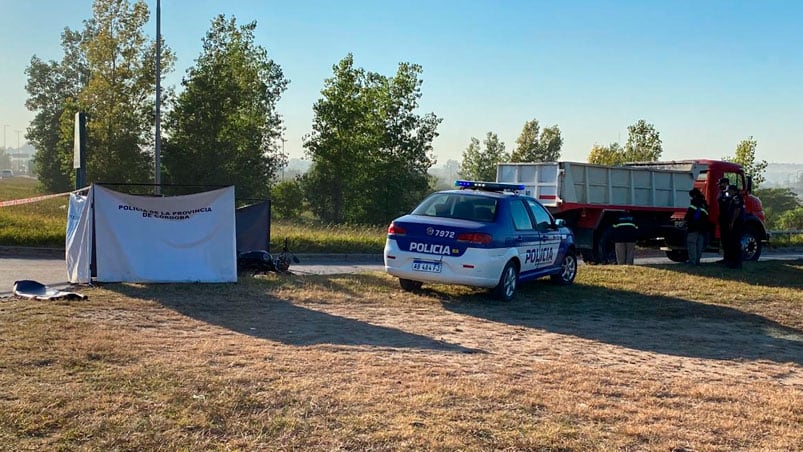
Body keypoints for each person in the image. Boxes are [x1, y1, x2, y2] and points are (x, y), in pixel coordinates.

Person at [684, 188, 710, 265]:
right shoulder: (704, 203)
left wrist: (685, 222)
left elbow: (689, 215)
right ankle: (697, 260)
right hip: (703, 227)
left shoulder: (694, 203)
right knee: (699, 244)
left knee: (692, 243)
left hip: (694, 227)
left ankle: (692, 261)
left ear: (694, 195)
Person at [723, 184, 745, 269]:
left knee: (735, 242)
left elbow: (737, 210)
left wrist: (732, 222)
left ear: (734, 191)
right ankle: (733, 261)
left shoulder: (736, 198)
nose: (728, 193)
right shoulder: (734, 198)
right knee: (732, 241)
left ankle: (737, 262)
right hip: (736, 222)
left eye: (729, 191)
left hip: (737, 222)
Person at [716, 177, 730, 263]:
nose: (720, 186)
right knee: (724, 240)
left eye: (721, 184)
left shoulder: (728, 193)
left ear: (725, 183)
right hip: (723, 218)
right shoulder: (722, 192)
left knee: (728, 240)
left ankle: (729, 258)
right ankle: (726, 257)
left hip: (727, 219)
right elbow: (718, 199)